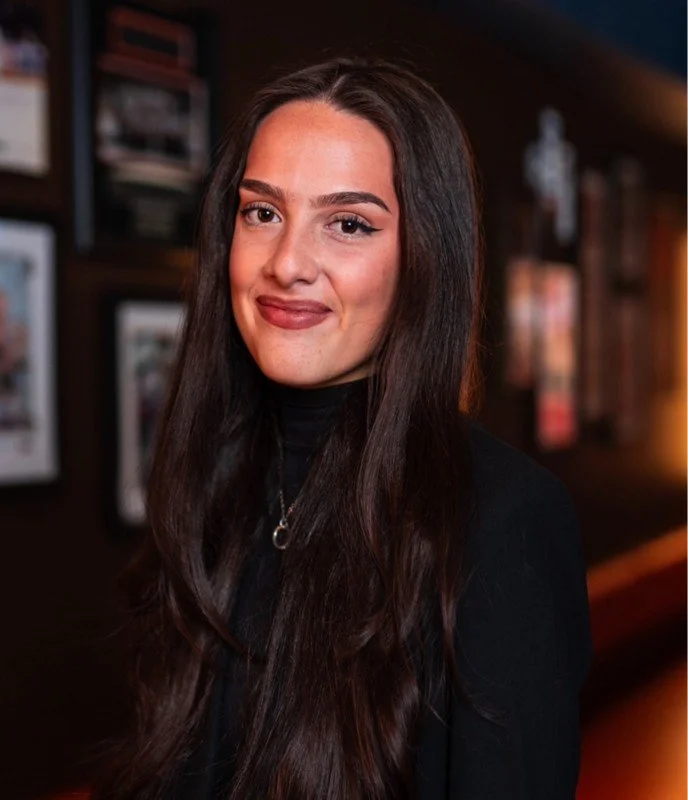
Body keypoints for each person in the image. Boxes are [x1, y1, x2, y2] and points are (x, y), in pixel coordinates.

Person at [96, 58, 592, 800]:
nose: (287, 263)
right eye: (261, 212)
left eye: (349, 224)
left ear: (424, 259)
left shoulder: (500, 521)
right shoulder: (211, 478)